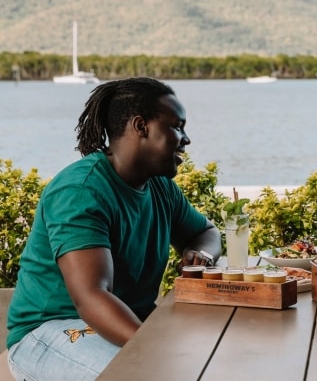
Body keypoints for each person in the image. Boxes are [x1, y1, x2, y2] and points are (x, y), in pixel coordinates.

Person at [6, 77, 222, 381]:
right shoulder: (81, 191)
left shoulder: (160, 187)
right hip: (51, 330)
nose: (186, 139)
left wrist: (201, 254)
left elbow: (206, 232)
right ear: (141, 126)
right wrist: (156, 349)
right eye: (176, 127)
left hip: (122, 323)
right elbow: (91, 297)